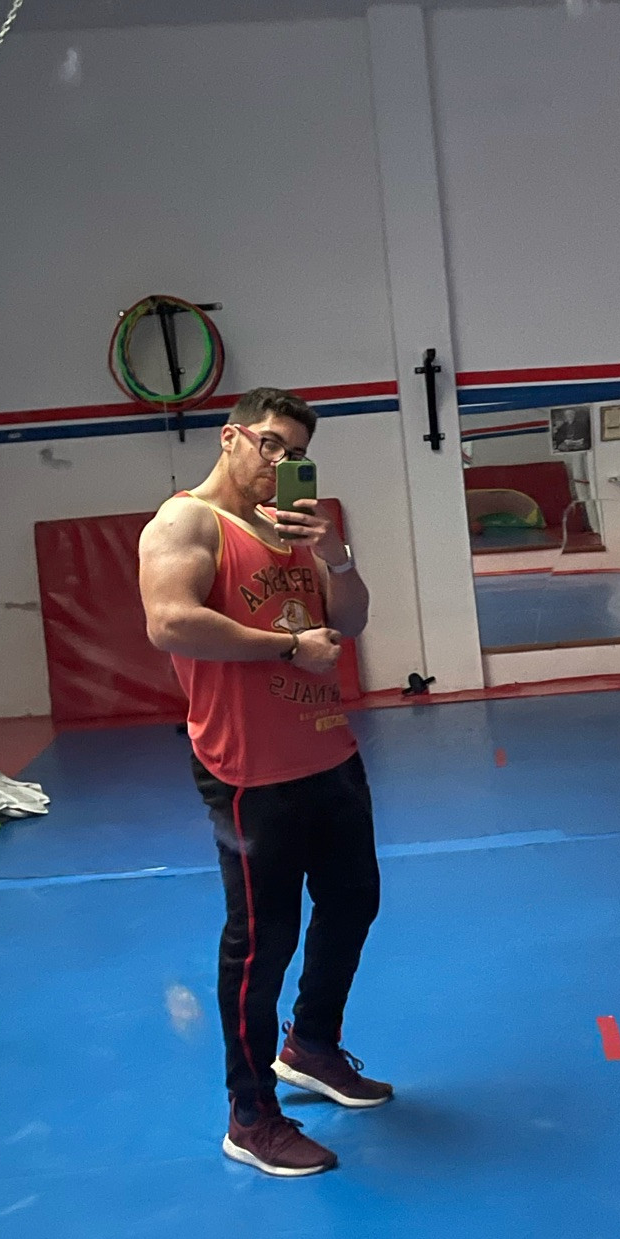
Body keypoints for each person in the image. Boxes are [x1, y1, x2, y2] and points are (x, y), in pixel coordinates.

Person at [138, 387, 391, 1179]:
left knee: (354, 902)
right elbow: (169, 621)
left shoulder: (294, 528)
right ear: (230, 437)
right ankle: (251, 1116)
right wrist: (286, 649)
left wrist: (336, 556)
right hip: (248, 769)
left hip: (327, 750)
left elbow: (352, 621)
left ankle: (311, 1045)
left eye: (296, 453)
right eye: (271, 444)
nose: (281, 462)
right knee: (261, 944)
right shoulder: (187, 523)